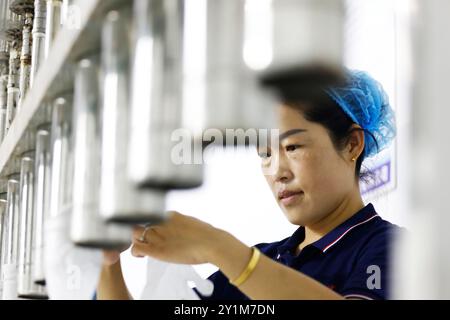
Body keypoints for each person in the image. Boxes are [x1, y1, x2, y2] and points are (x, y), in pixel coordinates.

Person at [97, 69, 401, 300]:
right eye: (264, 154)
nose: (277, 171)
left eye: (292, 147)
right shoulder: (265, 260)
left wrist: (216, 245)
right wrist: (106, 260)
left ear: (351, 144)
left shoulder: (390, 248)